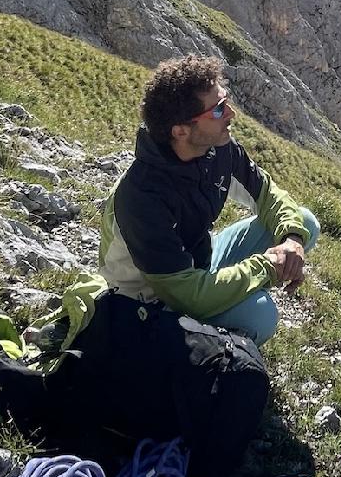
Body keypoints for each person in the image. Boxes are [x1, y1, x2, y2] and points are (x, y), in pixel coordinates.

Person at [98, 53, 320, 346]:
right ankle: (204, 349)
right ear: (180, 131)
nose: (230, 114)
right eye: (217, 110)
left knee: (303, 222)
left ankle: (223, 319)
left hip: (201, 261)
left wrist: (291, 240)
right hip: (151, 300)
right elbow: (186, 294)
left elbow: (267, 193)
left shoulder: (218, 149)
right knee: (261, 317)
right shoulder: (142, 197)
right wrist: (267, 267)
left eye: (225, 101)